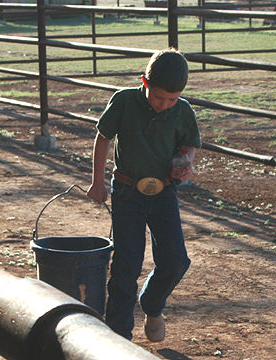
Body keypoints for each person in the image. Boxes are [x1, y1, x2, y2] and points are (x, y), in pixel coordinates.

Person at [86, 48, 201, 342]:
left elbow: (189, 146)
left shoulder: (182, 110)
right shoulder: (124, 101)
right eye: (158, 97)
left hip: (164, 193)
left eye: (171, 99)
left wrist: (185, 164)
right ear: (145, 82)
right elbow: (103, 138)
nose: (164, 105)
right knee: (127, 265)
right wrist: (97, 182)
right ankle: (118, 339)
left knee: (176, 260)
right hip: (127, 192)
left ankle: (151, 304)